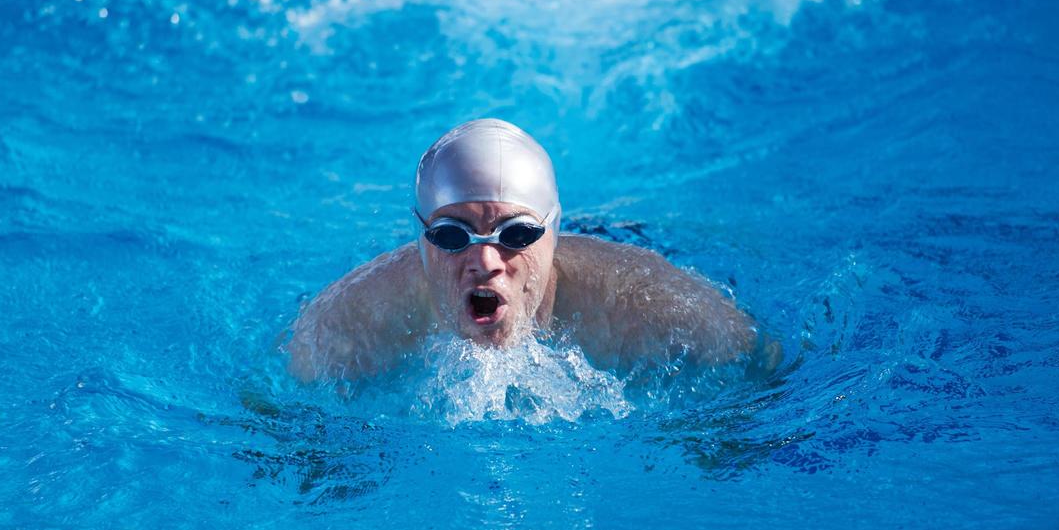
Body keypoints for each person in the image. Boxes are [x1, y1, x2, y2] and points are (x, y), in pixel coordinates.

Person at [287, 118, 778, 381]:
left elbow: (762, 360)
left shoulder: (648, 305)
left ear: (551, 232)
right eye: (452, 237)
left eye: (517, 235)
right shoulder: (345, 325)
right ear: (420, 238)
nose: (484, 260)